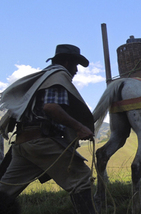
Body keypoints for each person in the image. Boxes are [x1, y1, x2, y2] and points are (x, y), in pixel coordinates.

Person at [0, 44, 96, 214]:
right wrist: (79, 127)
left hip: (23, 144)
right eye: (75, 65)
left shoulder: (41, 78)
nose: (76, 71)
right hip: (41, 142)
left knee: (5, 190)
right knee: (81, 178)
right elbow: (51, 108)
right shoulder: (58, 76)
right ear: (67, 62)